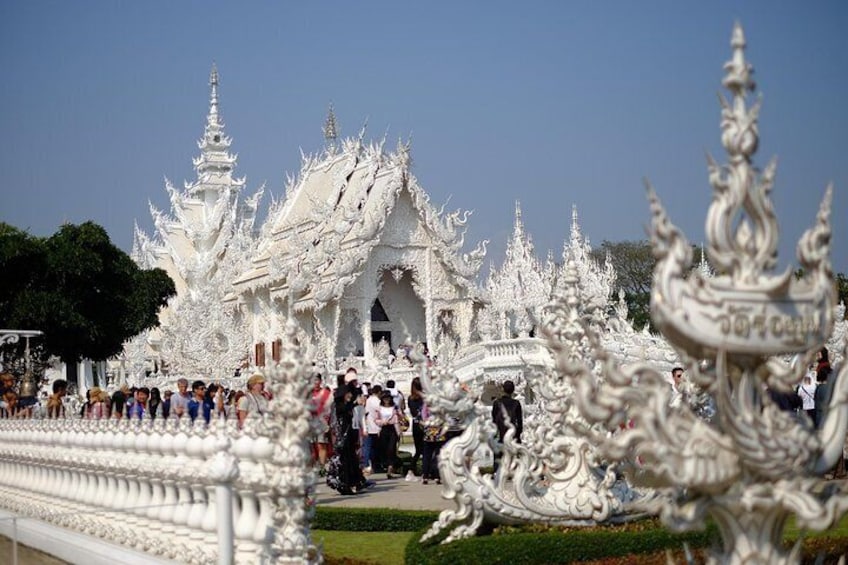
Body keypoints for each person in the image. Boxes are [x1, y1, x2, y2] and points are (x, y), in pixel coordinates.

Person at [325, 382, 369, 495]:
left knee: (352, 459)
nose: (350, 395)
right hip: (341, 438)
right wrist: (354, 403)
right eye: (348, 393)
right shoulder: (338, 405)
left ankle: (355, 482)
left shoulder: (347, 404)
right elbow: (343, 410)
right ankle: (344, 484)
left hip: (348, 436)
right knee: (344, 461)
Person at [309, 374, 333, 470]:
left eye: (317, 380)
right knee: (310, 445)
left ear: (320, 381)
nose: (315, 382)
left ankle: (322, 467)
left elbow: (329, 409)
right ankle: (313, 466)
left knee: (321, 444)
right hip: (310, 421)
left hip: (322, 421)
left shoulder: (326, 393)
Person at [375, 393, 400, 479]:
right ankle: (389, 465)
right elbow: (376, 420)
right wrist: (382, 422)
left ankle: (390, 467)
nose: (386, 400)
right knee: (385, 449)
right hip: (384, 429)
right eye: (385, 398)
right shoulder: (379, 408)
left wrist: (399, 431)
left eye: (388, 398)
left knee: (391, 448)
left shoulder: (394, 408)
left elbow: (399, 418)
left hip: (392, 428)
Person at [363, 384, 383, 473]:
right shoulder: (377, 401)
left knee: (368, 447)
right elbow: (380, 412)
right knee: (374, 447)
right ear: (379, 392)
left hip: (368, 425)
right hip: (376, 426)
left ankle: (367, 465)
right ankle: (373, 465)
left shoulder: (368, 400)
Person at [407, 377, 425, 473]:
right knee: (427, 449)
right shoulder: (425, 397)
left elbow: (413, 412)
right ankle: (427, 471)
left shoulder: (410, 398)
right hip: (425, 424)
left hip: (416, 424)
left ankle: (411, 469)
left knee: (418, 450)